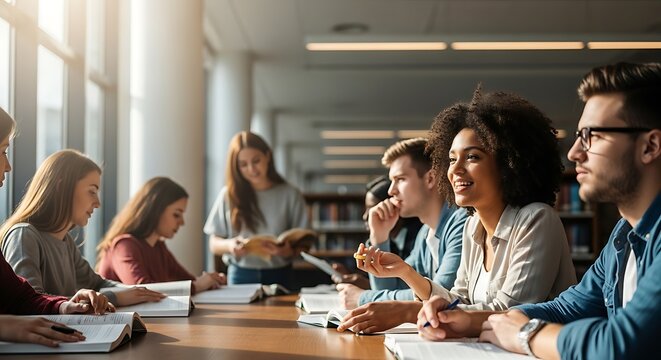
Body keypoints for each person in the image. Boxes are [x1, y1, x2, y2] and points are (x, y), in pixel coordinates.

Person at [456, 62, 660, 359]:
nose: (575, 152)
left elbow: (619, 346)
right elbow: (568, 308)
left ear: (650, 146)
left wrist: (526, 334)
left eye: (593, 135)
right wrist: (468, 321)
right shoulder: (624, 234)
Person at [346, 91, 577, 333]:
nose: (455, 169)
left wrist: (408, 311)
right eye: (452, 159)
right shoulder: (472, 225)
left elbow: (509, 313)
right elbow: (459, 299)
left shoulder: (537, 220)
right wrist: (405, 272)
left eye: (472, 157)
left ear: (509, 163)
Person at [0, 107, 112, 348]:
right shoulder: (24, 235)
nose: (8, 166)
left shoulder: (65, 241)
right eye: (2, 152)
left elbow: (21, 298)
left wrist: (64, 305)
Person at [0, 149, 164, 307]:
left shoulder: (65, 241)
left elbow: (97, 283)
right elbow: (31, 303)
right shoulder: (24, 235)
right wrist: (115, 297)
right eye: (92, 192)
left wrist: (138, 292)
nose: (98, 203)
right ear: (62, 187)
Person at [336, 137, 467, 332]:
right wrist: (380, 237)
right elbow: (396, 291)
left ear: (430, 179)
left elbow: (439, 295)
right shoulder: (425, 233)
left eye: (400, 179)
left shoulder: (461, 222)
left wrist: (362, 298)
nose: (391, 190)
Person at [205, 131, 308, 288]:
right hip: (241, 274)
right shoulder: (229, 195)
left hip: (281, 274)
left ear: (267, 156)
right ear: (236, 168)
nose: (251, 169)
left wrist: (288, 251)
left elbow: (305, 241)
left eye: (256, 161)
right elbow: (213, 243)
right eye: (243, 164)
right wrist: (230, 246)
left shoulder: (290, 194)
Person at [97, 177, 226, 293]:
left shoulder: (159, 247)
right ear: (155, 210)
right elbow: (142, 290)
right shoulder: (124, 245)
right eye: (176, 214)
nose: (182, 222)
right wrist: (197, 285)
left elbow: (189, 280)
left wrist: (211, 281)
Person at [331, 175, 422, 289]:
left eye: (372, 207)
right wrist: (350, 275)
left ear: (394, 205)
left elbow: (404, 289)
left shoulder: (419, 240)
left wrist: (368, 287)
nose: (365, 216)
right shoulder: (387, 241)